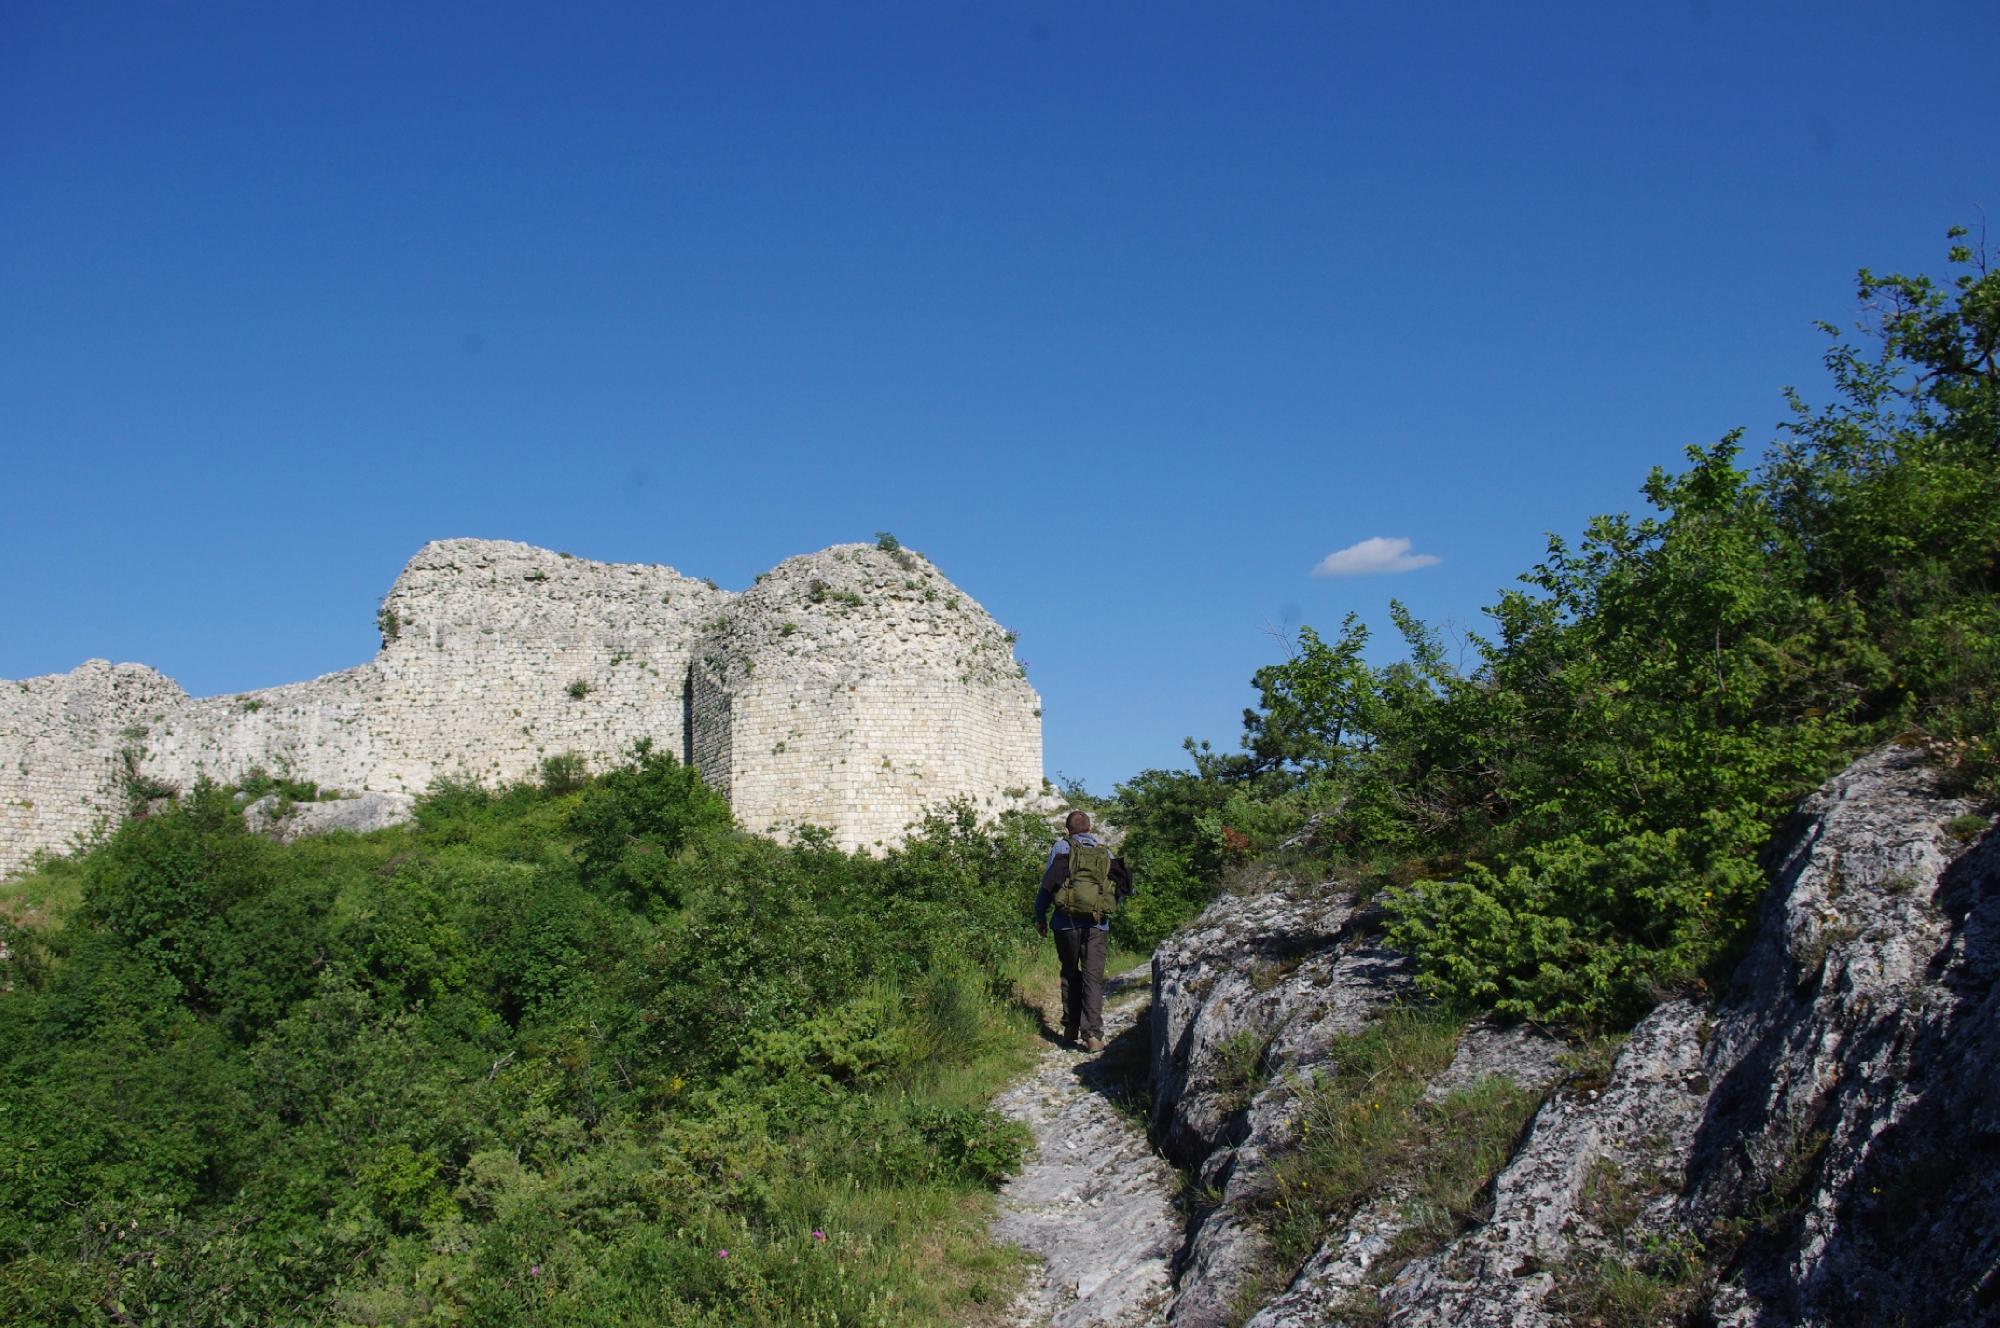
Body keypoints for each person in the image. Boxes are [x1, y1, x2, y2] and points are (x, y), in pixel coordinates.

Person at [1034, 809, 1114, 1051]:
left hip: (1064, 923)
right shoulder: (1105, 852)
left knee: (1070, 972)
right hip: (1096, 924)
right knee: (1093, 977)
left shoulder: (1061, 848)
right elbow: (1118, 888)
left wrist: (1040, 916)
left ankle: (1070, 1028)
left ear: (1068, 831)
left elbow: (1048, 885)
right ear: (1090, 829)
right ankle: (1092, 1035)